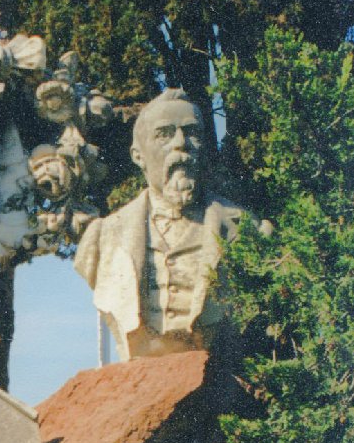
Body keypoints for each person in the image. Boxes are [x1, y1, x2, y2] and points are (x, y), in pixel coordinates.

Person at [74, 88, 265, 362]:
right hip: (139, 372)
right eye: (164, 134)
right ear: (138, 155)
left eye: (192, 133)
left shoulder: (244, 227)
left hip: (214, 375)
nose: (181, 143)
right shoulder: (103, 235)